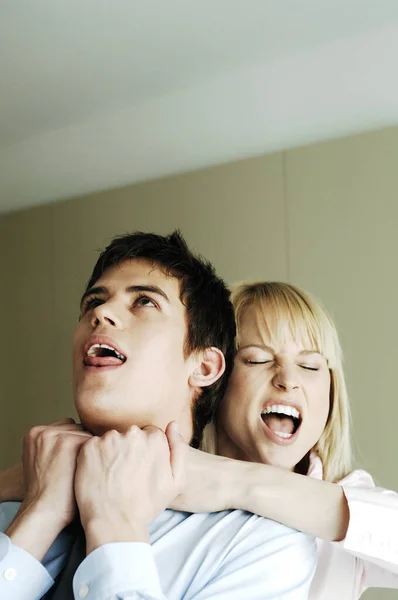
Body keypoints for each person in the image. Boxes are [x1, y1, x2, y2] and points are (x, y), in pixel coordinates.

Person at [0, 234, 316, 600]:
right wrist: (38, 515)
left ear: (204, 365)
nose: (100, 313)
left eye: (144, 301)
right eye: (94, 302)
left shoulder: (263, 548)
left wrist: (114, 526)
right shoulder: (17, 511)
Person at [168, 281, 398, 599]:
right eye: (257, 360)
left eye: (309, 365)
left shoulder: (349, 496)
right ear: (215, 378)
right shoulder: (166, 491)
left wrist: (239, 483)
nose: (289, 380)